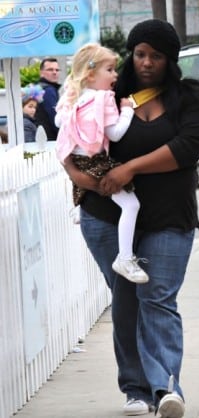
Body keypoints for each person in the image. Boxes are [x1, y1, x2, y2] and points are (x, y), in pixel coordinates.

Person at [61, 19, 199, 417]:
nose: (146, 63)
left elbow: (188, 147)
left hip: (169, 216)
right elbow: (74, 140)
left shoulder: (190, 97)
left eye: (156, 56)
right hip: (106, 216)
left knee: (157, 297)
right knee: (126, 299)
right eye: (140, 54)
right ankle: (136, 390)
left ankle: (166, 388)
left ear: (170, 59)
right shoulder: (109, 90)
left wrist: (130, 169)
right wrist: (81, 179)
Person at [54, 42, 148, 284]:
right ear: (91, 72)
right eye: (110, 69)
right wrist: (127, 110)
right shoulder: (104, 99)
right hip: (95, 160)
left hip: (77, 159)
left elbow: (59, 123)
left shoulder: (73, 97)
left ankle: (78, 207)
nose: (115, 75)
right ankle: (125, 258)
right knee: (131, 205)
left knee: (102, 190)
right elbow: (115, 134)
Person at [35, 57, 61, 140]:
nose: (54, 72)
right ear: (41, 73)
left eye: (57, 70)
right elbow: (55, 118)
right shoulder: (48, 90)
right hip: (49, 139)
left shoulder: (38, 87)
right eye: (50, 70)